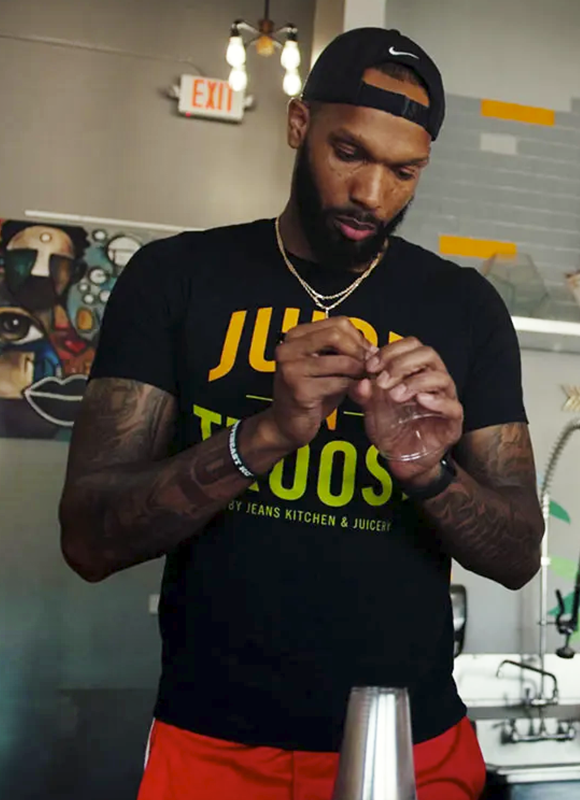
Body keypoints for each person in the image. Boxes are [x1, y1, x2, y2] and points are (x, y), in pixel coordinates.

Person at [57, 27, 544, 800]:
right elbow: (88, 539)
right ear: (298, 124)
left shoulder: (466, 310)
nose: (372, 195)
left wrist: (427, 471)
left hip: (409, 740)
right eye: (349, 153)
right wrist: (268, 434)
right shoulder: (175, 280)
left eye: (403, 171)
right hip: (213, 743)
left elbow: (518, 555)